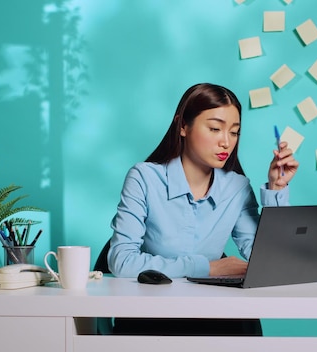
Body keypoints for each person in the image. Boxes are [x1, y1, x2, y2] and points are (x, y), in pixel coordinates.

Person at [107, 82, 298, 335]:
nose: (226, 142)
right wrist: (208, 268)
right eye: (215, 128)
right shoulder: (144, 177)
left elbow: (271, 261)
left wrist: (276, 189)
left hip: (214, 313)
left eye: (234, 132)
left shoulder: (237, 187)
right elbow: (121, 261)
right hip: (151, 313)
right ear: (183, 126)